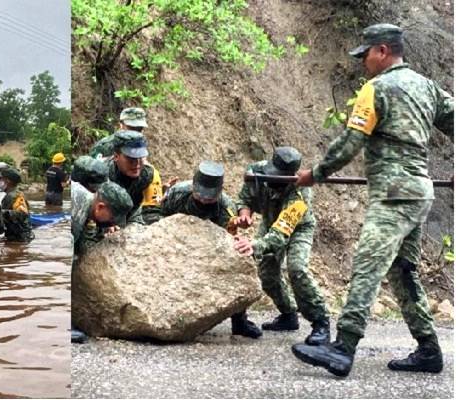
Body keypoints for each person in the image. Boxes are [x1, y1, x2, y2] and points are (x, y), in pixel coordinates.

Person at [292, 23, 453, 377]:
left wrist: (314, 174)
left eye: (365, 54)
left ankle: (343, 348)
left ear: (382, 50)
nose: (362, 61)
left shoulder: (375, 88)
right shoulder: (427, 87)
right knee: (401, 270)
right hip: (419, 191)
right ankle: (428, 349)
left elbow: (350, 143)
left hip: (394, 193)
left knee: (368, 263)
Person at [232, 147, 331, 347]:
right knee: (267, 275)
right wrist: (245, 214)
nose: (272, 180)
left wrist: (254, 244)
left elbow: (279, 236)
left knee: (297, 269)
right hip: (270, 223)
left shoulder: (300, 195)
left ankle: (321, 322)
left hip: (298, 229)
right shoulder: (258, 171)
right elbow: (245, 198)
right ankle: (288, 315)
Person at [161, 161, 262, 338]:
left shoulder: (226, 207)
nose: (205, 200)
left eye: (210, 196)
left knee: (240, 258)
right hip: (175, 244)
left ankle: (239, 320)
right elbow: (158, 218)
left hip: (207, 251)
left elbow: (227, 241)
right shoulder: (177, 193)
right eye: (200, 195)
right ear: (193, 186)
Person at [71, 180, 134, 343]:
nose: (113, 223)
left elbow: (83, 243)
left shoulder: (86, 200)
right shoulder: (76, 215)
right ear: (100, 207)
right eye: (113, 218)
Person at [106, 130, 164, 225]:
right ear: (116, 156)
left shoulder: (149, 175)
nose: (137, 164)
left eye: (140, 158)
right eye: (131, 159)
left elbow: (152, 213)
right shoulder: (102, 175)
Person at [0, 167, 34, 243]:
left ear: (7, 181)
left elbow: (2, 222)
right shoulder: (18, 194)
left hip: (18, 238)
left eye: (0, 178)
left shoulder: (10, 197)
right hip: (25, 236)